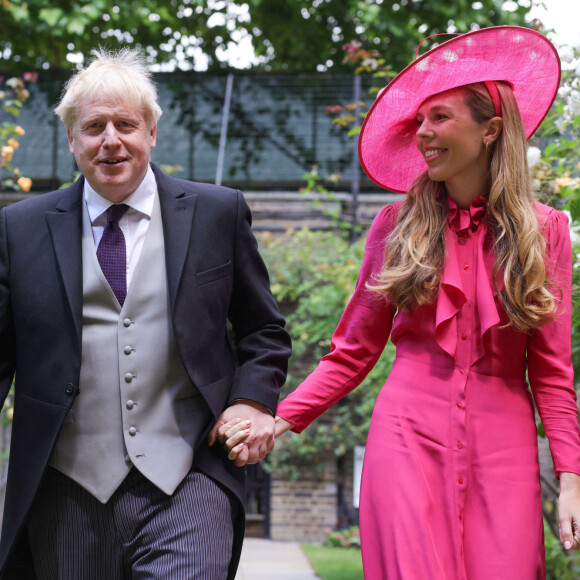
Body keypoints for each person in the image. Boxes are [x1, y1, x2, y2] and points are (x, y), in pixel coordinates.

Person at [220, 25, 580, 579]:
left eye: (440, 118)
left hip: (504, 448)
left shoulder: (546, 232)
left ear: (490, 129)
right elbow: (352, 352)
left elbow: (553, 374)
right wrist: (281, 420)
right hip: (405, 437)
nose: (423, 134)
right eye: (419, 121)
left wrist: (572, 481)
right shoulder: (396, 226)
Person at [0, 48, 291, 579]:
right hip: (64, 491)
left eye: (125, 124)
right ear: (71, 140)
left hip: (187, 481)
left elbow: (263, 329)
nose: (110, 139)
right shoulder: (19, 230)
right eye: (93, 127)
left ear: (151, 132)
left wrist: (251, 401)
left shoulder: (216, 213)